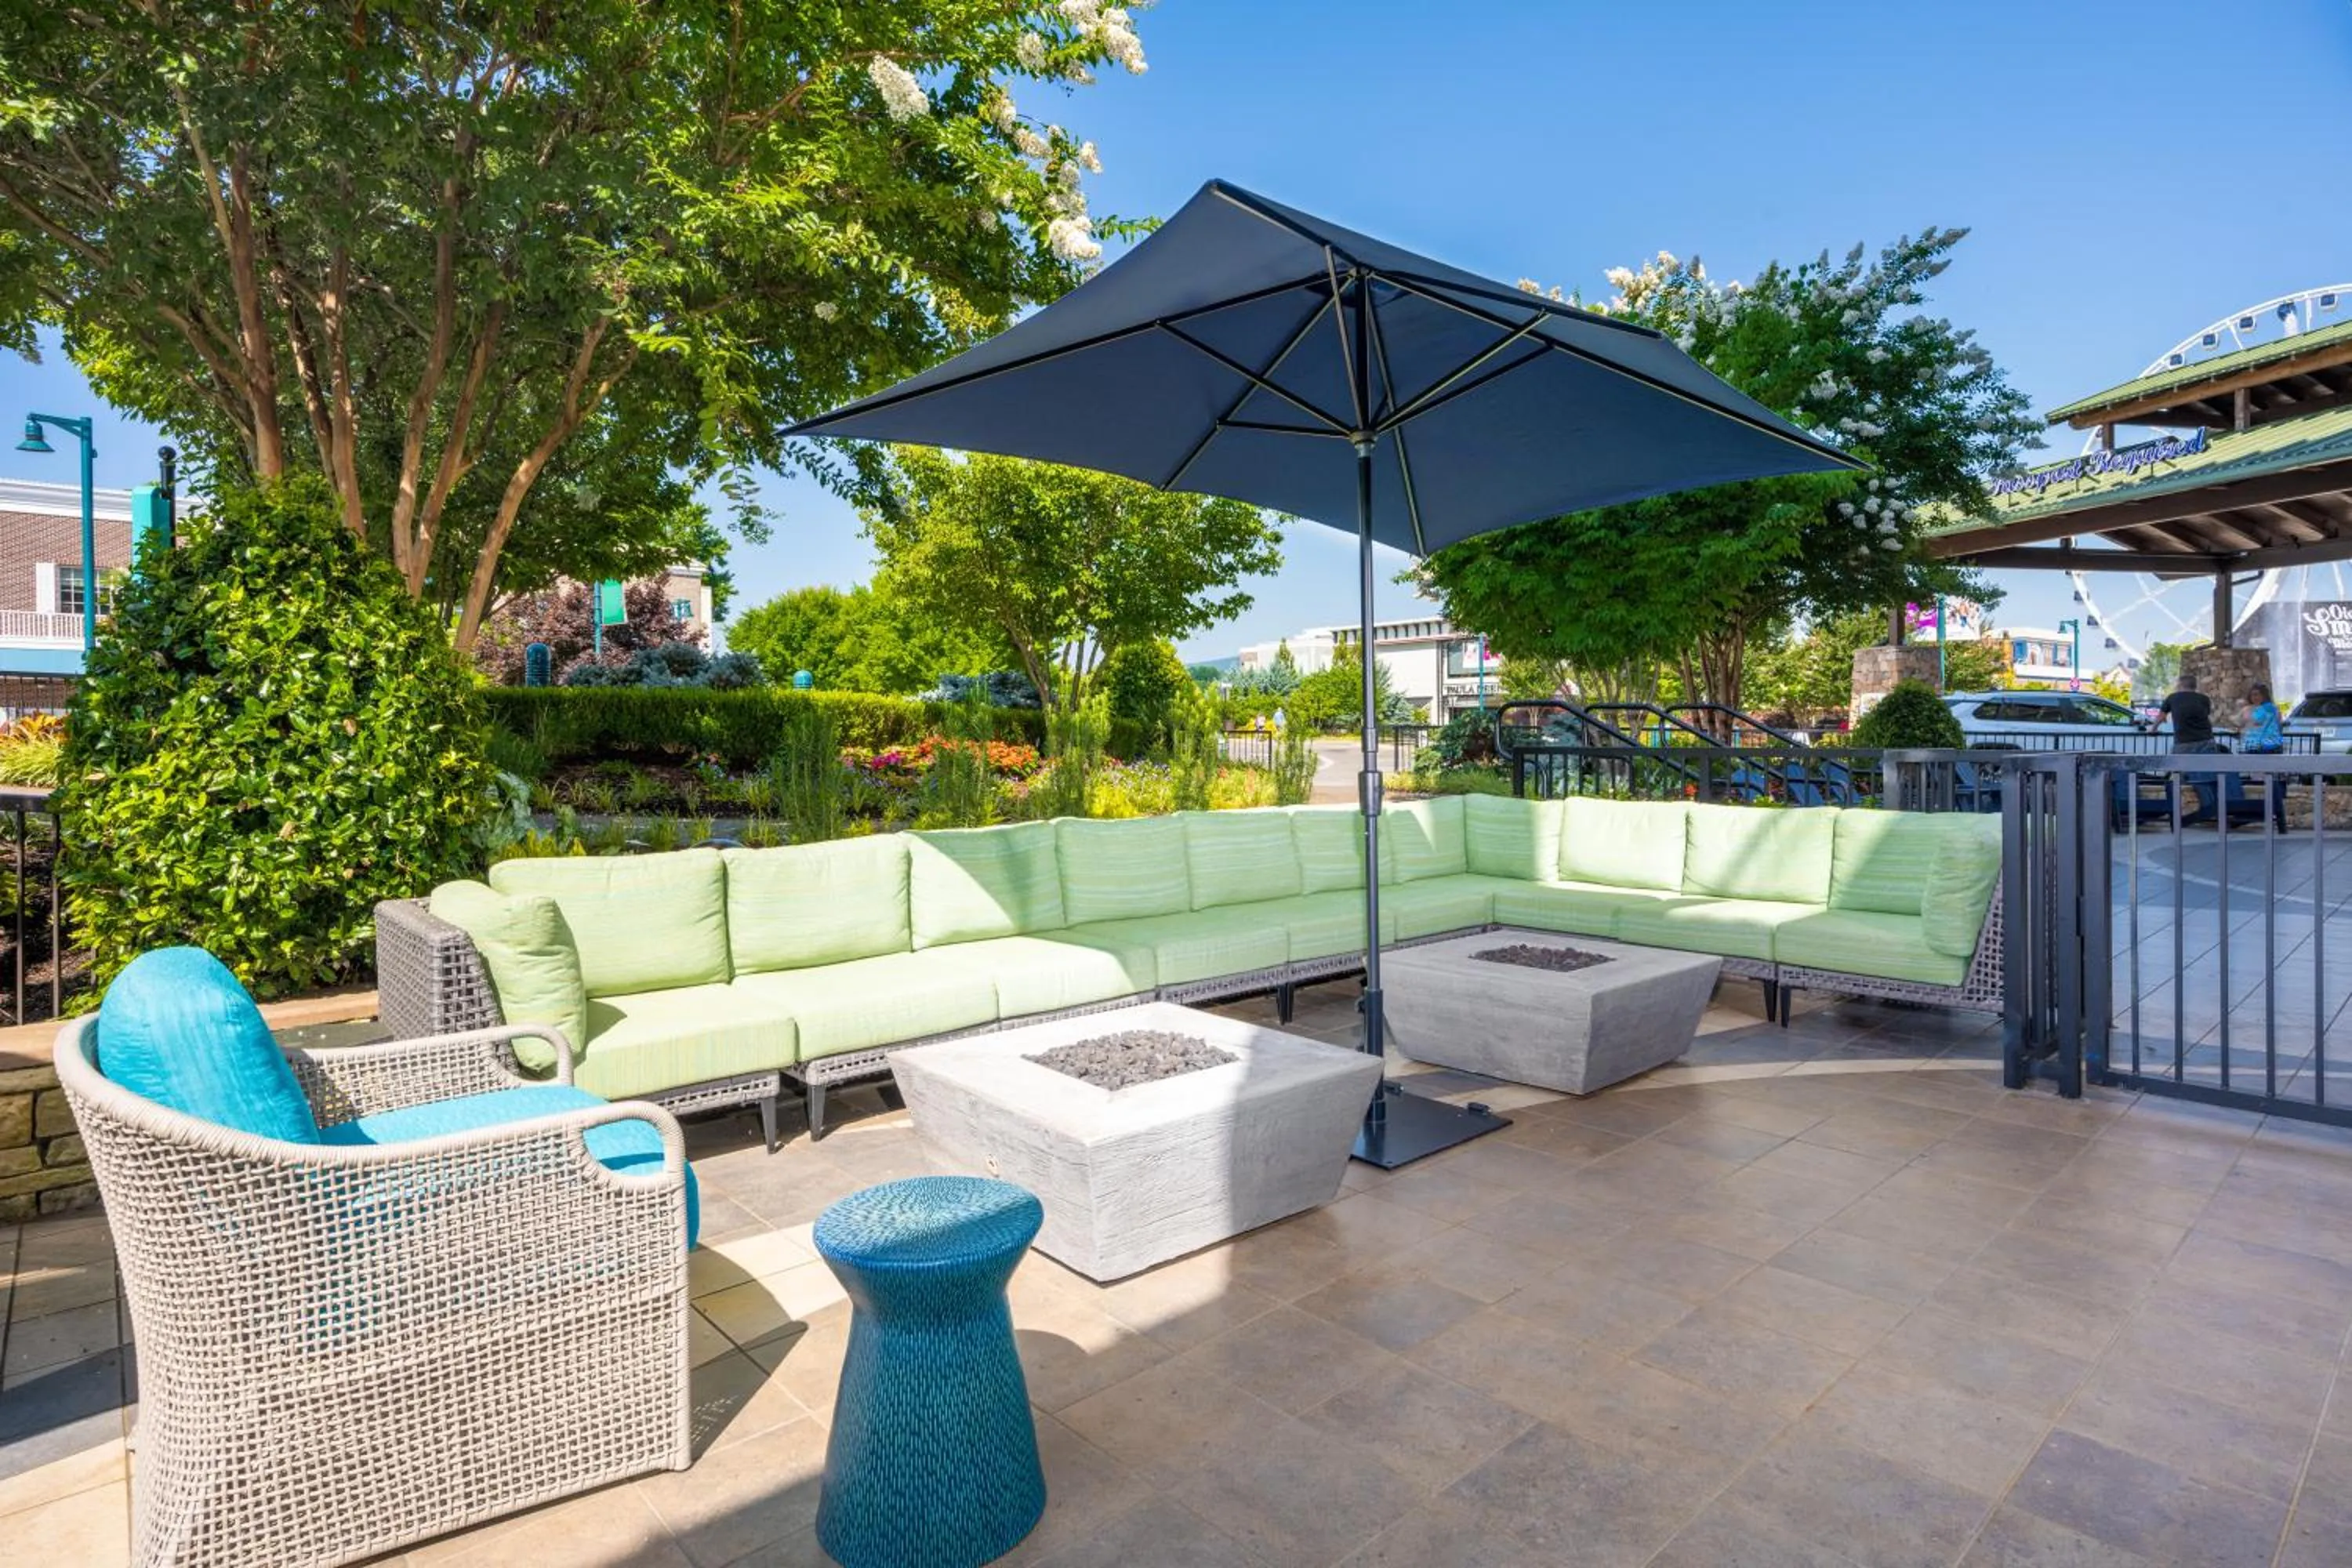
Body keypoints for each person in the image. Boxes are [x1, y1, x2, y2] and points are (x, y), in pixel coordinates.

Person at [2161, 673, 2223, 826]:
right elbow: (2205, 715)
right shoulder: (2203, 699)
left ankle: (2175, 812)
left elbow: (2161, 717)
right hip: (2206, 740)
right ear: (2194, 686)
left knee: (2178, 774)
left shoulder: (2172, 698)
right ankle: (2211, 808)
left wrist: (2153, 729)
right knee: (2206, 775)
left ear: (2181, 685)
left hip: (2184, 742)